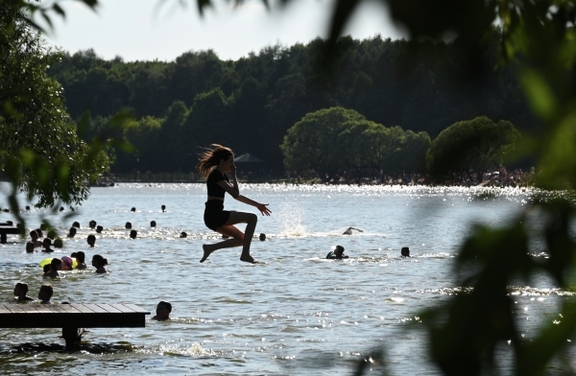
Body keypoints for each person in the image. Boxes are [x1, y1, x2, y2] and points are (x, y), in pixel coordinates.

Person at [196, 144, 272, 264]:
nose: (232, 165)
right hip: (214, 216)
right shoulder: (216, 175)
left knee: (242, 239)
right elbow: (235, 194)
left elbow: (237, 195)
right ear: (222, 161)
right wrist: (234, 175)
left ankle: (210, 248)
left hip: (213, 217)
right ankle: (245, 254)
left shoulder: (222, 176)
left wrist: (257, 205)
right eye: (230, 162)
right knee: (252, 218)